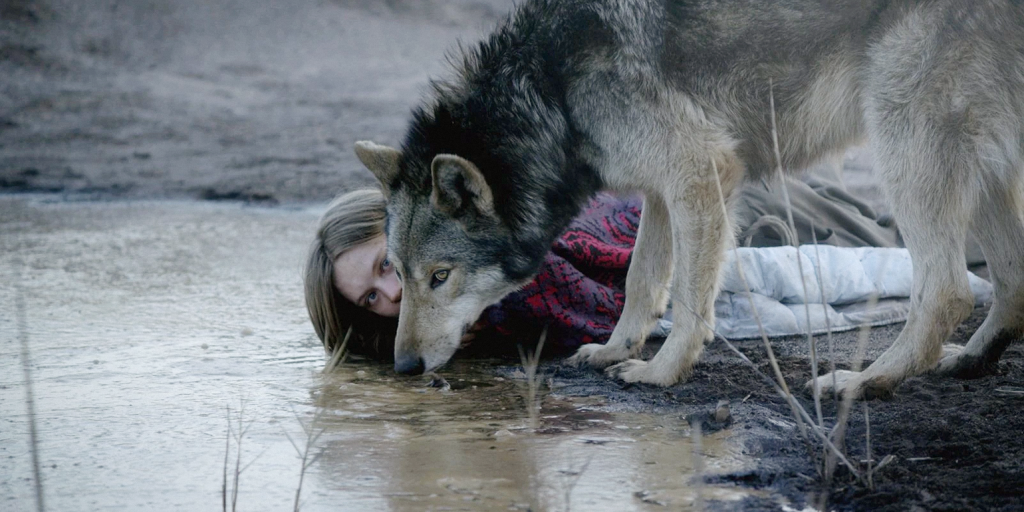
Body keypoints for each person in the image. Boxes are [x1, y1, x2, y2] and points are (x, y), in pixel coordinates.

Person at [304, 169, 923, 366]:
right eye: (369, 300)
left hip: (712, 213)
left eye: (388, 265)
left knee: (891, 235)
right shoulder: (445, 332)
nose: (391, 293)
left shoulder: (487, 244)